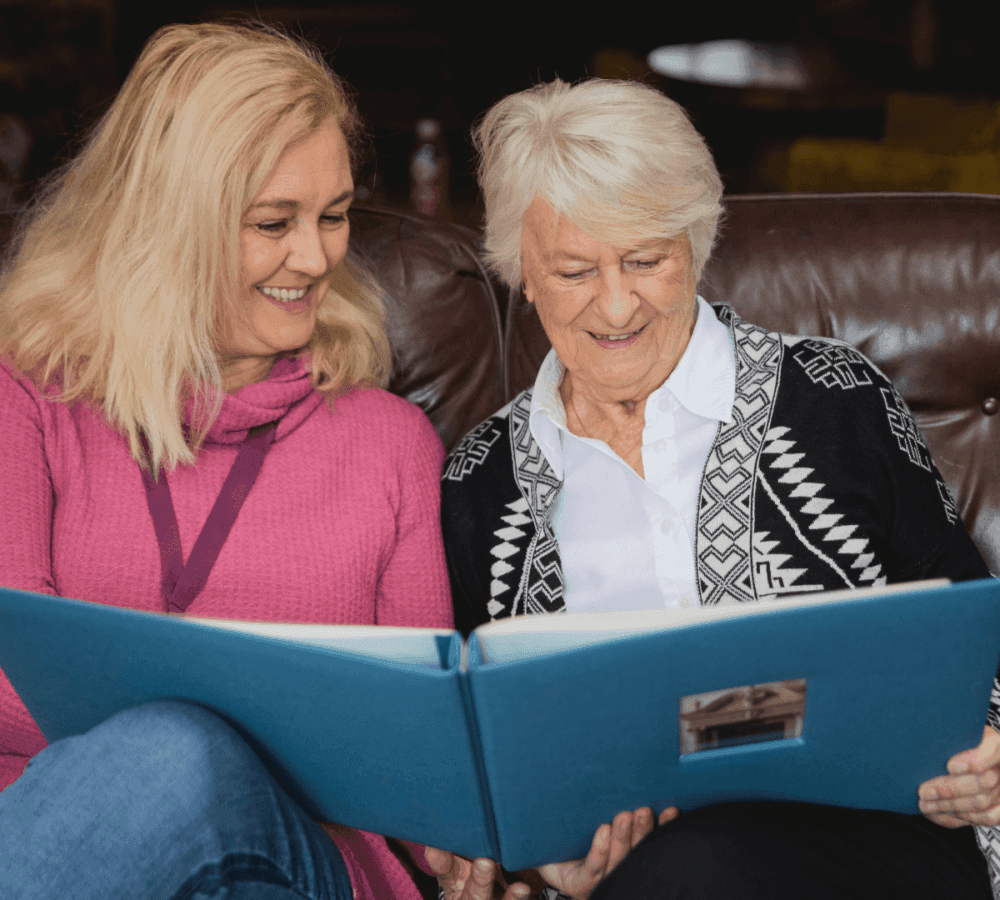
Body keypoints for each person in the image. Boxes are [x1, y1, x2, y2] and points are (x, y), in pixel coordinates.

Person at [437, 77, 1000, 900]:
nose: (617, 303)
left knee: (705, 861)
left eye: (646, 259)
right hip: (625, 874)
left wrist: (992, 748)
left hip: (874, 844)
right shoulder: (481, 483)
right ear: (522, 272)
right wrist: (546, 860)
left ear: (696, 247)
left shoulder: (832, 399)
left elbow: (971, 629)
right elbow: (490, 758)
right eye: (573, 270)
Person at [0, 21, 455, 900]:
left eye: (334, 216)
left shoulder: (390, 441)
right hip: (54, 839)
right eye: (272, 223)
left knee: (179, 753)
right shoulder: (29, 396)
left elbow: (417, 750)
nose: (316, 257)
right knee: (168, 760)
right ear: (171, 223)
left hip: (307, 856)